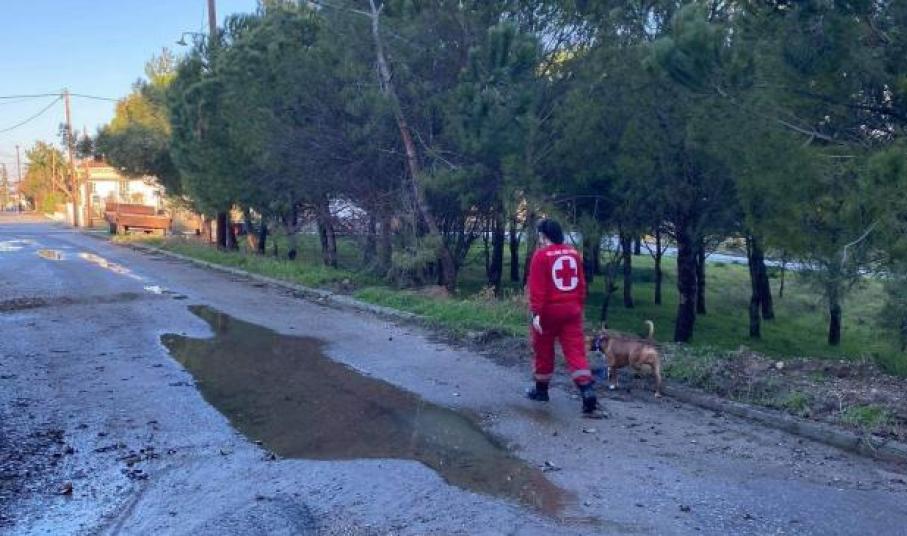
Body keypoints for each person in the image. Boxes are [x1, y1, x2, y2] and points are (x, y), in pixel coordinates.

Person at [525, 218, 601, 417]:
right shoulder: (573, 253)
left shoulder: (541, 256)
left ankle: (541, 391)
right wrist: (579, 306)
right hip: (572, 311)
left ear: (543, 235)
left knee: (543, 350)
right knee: (576, 351)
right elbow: (581, 285)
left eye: (540, 235)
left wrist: (536, 313)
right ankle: (587, 391)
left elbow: (537, 289)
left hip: (548, 313)